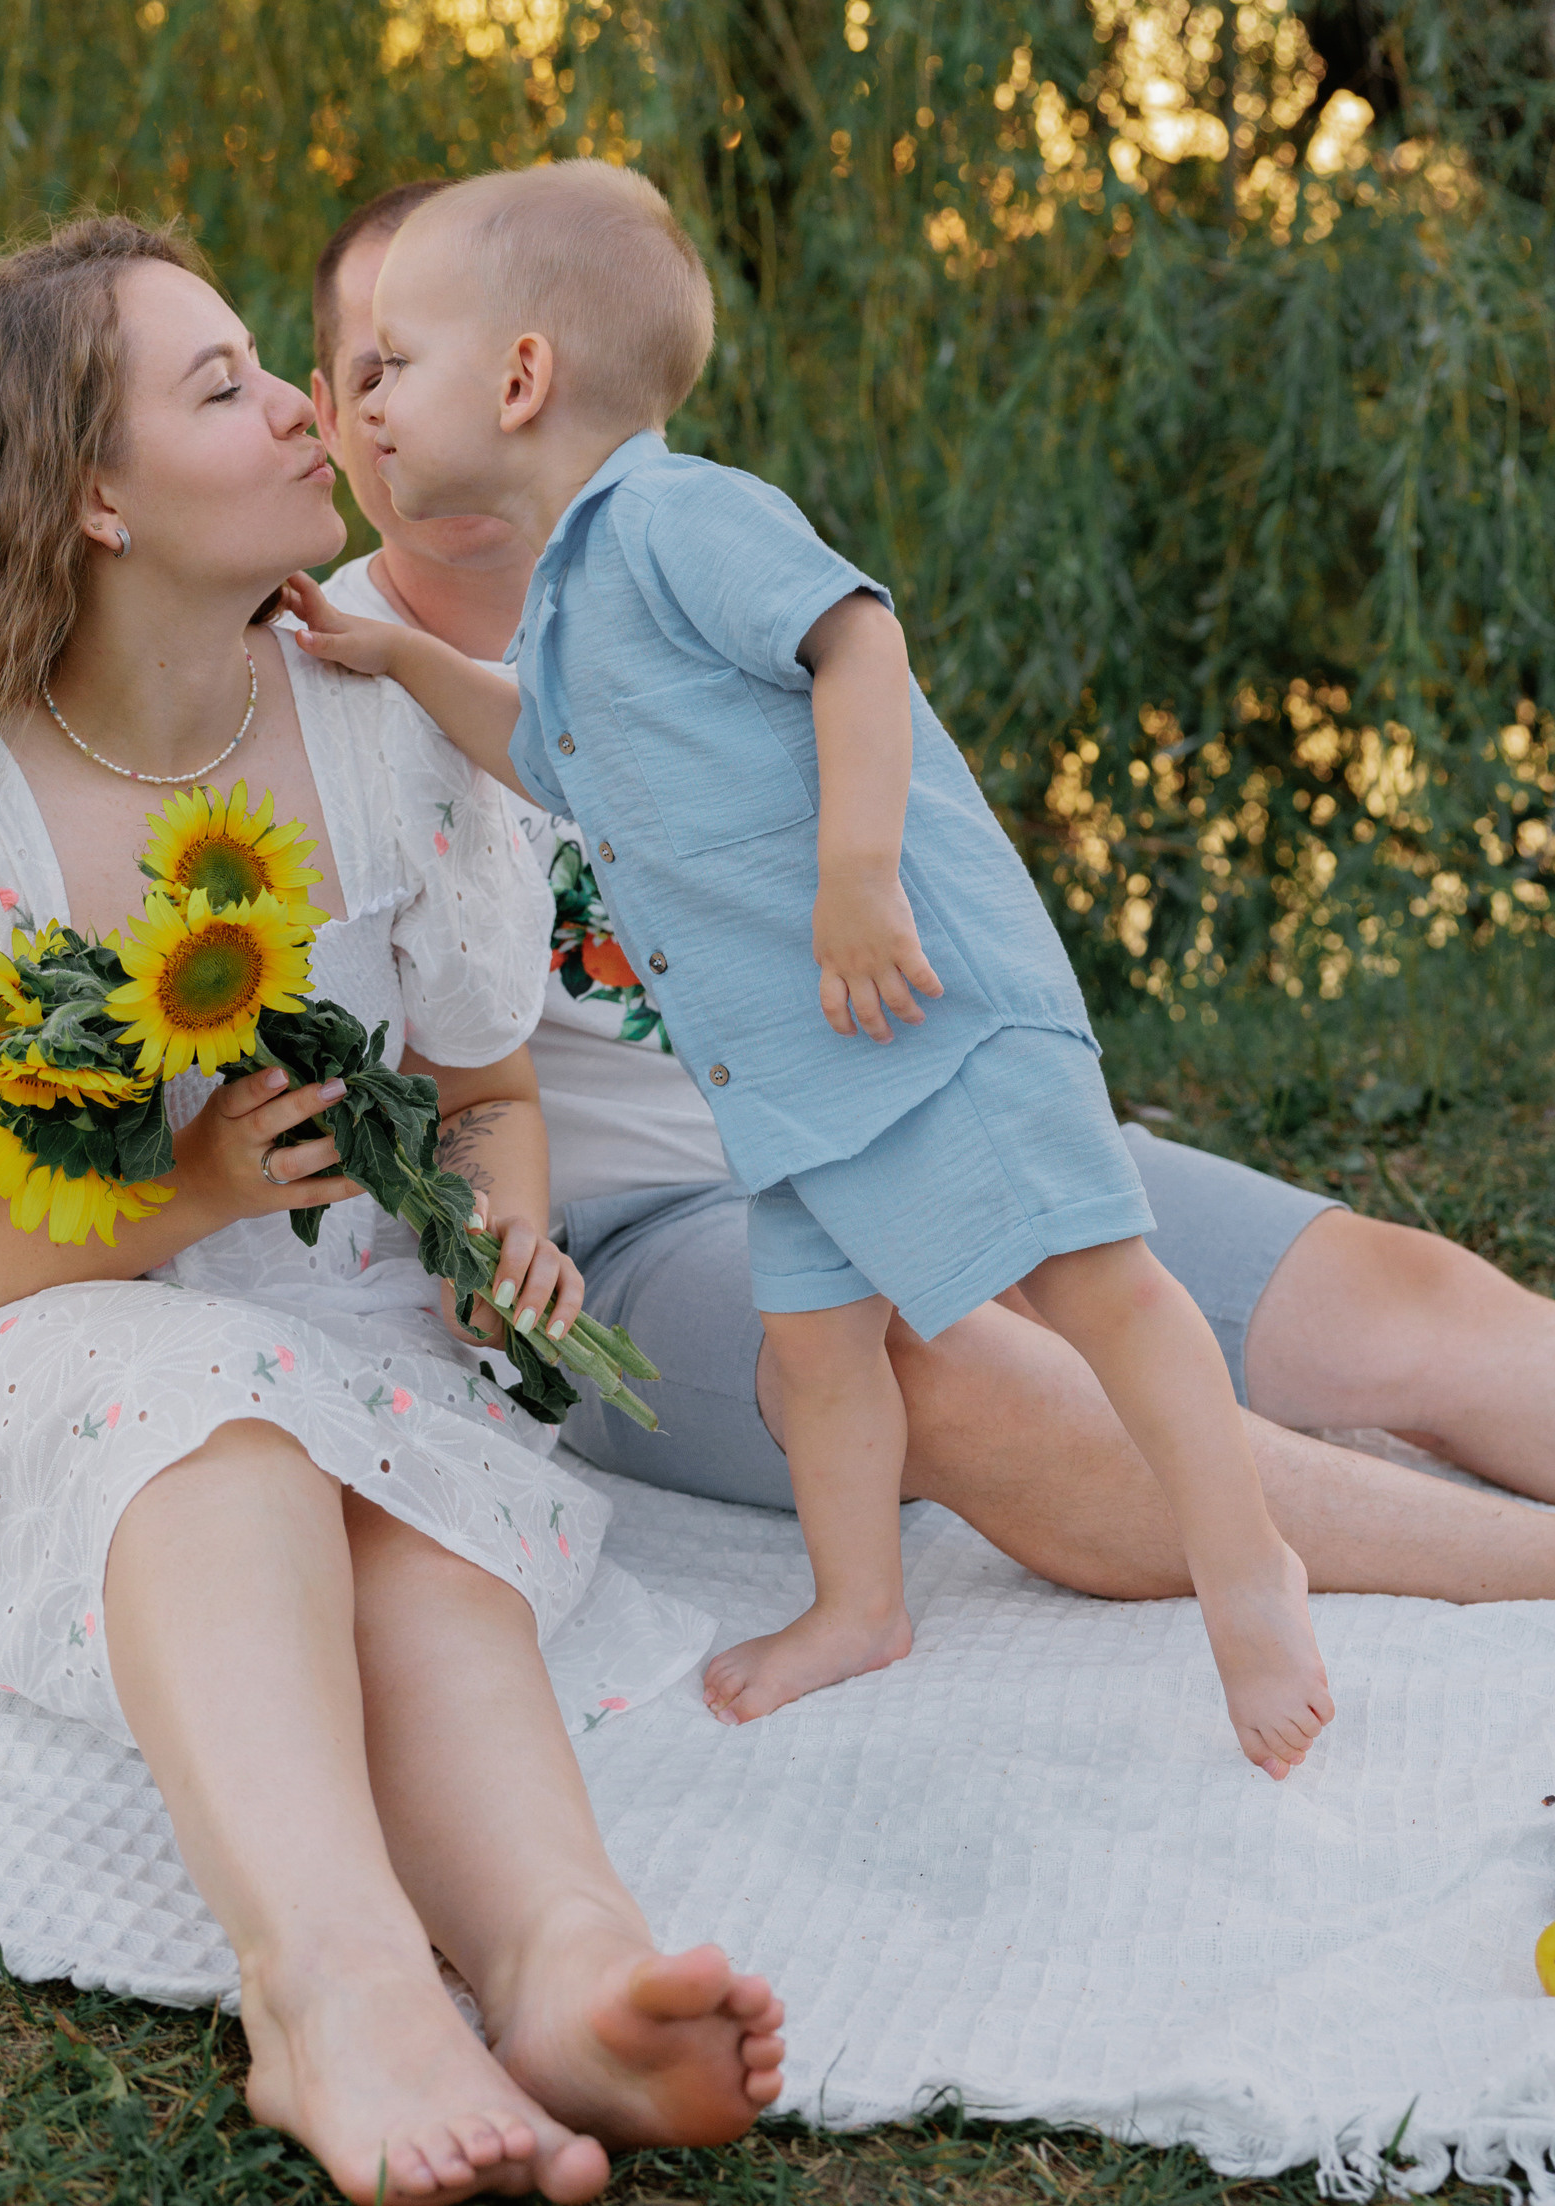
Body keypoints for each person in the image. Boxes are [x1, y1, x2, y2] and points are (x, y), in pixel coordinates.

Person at [0, 215, 786, 2206]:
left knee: (421, 1530)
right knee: (215, 1427)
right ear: (93, 498)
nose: (308, 398)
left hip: (342, 1324)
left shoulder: (388, 739)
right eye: (224, 384)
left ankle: (567, 1960)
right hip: (21, 1352)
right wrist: (189, 1191)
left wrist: (491, 1244)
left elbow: (480, 1091)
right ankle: (332, 1988)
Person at [303, 175, 1555, 1637]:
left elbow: (858, 672)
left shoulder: (680, 556)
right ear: (327, 416)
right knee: (949, 1358)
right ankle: (1475, 1568)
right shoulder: (329, 685)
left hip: (906, 1082)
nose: (395, 402)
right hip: (649, 1230)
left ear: (531, 374)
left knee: (1387, 1297)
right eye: (367, 370)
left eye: (424, 357)